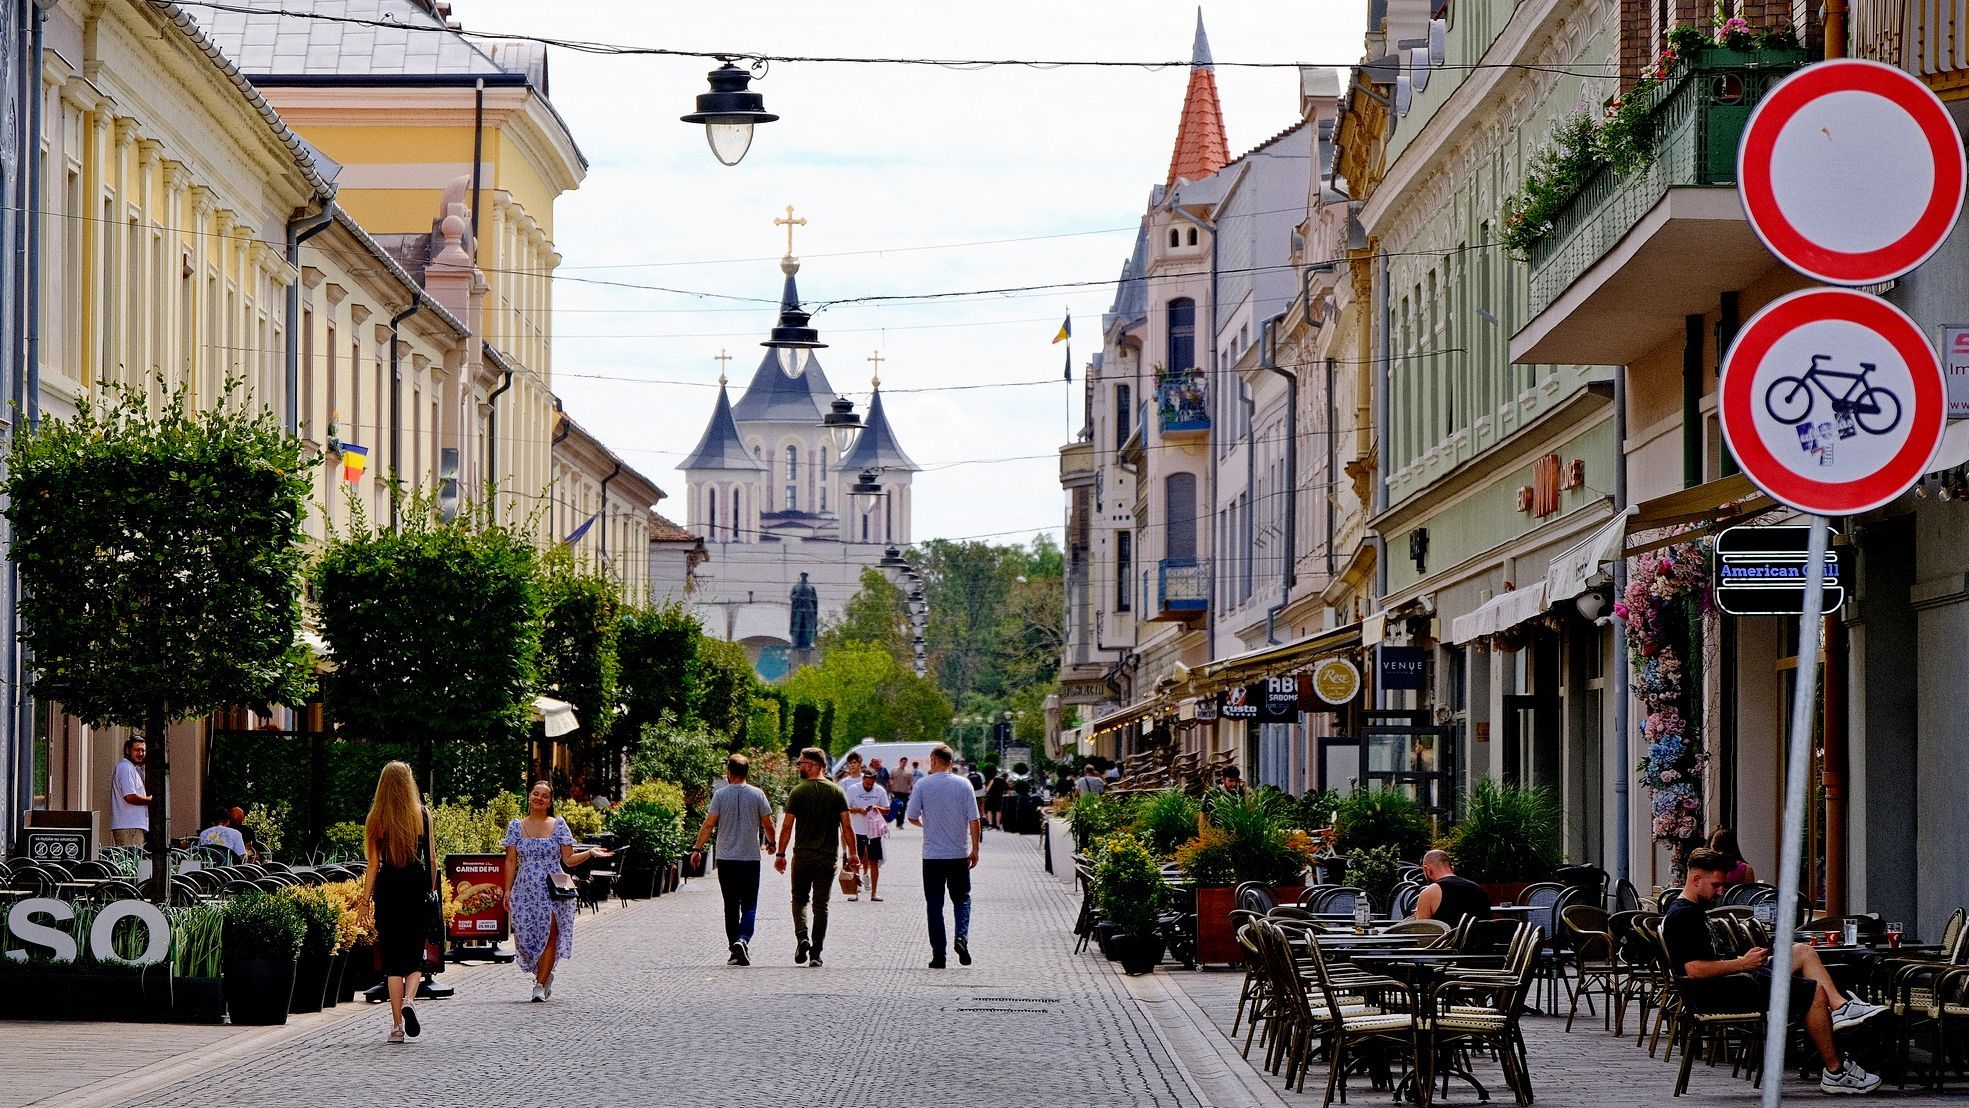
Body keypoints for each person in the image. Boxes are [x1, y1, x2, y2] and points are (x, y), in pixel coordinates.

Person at [1664, 848, 1884, 1094]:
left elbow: (1714, 956)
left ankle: (1841, 1007)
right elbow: (1694, 969)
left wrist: (1750, 958)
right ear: (1696, 880)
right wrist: (1743, 964)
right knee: (1813, 994)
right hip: (1722, 990)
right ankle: (1835, 1072)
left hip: (1735, 979)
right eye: (1716, 885)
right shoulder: (1683, 916)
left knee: (1801, 951)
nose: (1721, 891)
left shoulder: (1694, 911)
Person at [503, 780, 613, 1002]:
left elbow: (569, 860)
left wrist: (589, 853)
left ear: (550, 801)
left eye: (544, 796)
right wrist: (507, 890)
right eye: (536, 794)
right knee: (524, 939)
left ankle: (540, 986)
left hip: (553, 887)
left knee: (550, 934)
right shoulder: (516, 826)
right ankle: (544, 973)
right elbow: (511, 860)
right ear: (529, 797)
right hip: (525, 889)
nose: (539, 798)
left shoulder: (558, 825)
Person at [364, 761, 441, 1044]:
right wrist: (430, 890)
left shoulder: (376, 818)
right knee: (414, 955)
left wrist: (363, 903)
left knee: (393, 962)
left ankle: (396, 1027)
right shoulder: (422, 814)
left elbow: (373, 866)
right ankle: (410, 999)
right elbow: (431, 859)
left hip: (388, 888)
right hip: (415, 884)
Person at [775, 747, 859, 968]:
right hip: (827, 858)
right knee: (821, 906)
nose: (798, 766)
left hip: (802, 856)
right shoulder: (836, 792)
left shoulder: (798, 792)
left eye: (801, 763)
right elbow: (847, 828)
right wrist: (853, 855)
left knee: (799, 900)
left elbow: (786, 827)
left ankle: (802, 937)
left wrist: (781, 854)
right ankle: (816, 953)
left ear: (812, 765)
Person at [689, 755, 776, 966]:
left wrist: (697, 849)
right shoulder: (758, 795)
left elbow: (709, 824)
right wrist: (773, 844)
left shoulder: (719, 795)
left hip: (726, 858)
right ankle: (742, 939)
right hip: (749, 858)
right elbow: (768, 823)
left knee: (730, 905)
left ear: (729, 772)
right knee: (749, 905)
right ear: (747, 772)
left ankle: (733, 949)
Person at [906, 744, 981, 969]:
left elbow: (911, 816)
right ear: (950, 762)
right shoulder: (964, 784)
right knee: (962, 899)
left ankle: (939, 955)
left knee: (934, 906)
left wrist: (925, 825)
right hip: (958, 854)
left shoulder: (922, 785)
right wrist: (975, 849)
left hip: (932, 856)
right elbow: (974, 820)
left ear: (934, 760)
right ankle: (961, 937)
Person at [842, 766, 890, 902]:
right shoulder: (853, 790)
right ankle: (854, 892)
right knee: (855, 861)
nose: (868, 786)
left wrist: (877, 808)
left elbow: (887, 809)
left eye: (871, 784)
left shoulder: (880, 791)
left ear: (875, 781)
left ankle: (874, 893)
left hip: (874, 831)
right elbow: (846, 808)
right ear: (863, 780)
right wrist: (858, 810)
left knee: (873, 862)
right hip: (857, 830)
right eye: (866, 783)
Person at [1413, 849, 1492, 929]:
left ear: (1428, 870)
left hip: (1447, 941)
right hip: (1479, 940)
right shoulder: (1477, 888)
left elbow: (1420, 932)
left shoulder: (1429, 893)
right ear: (1452, 868)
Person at [110, 737, 151, 849]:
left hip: (132, 824)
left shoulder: (132, 768)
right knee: (132, 861)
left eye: (143, 750)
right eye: (137, 750)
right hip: (129, 826)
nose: (141, 753)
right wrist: (150, 800)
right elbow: (130, 797)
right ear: (128, 750)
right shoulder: (125, 767)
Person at [888, 758, 916, 828]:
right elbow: (890, 780)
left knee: (903, 808)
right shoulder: (894, 770)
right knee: (896, 807)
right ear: (900, 762)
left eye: (905, 762)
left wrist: (912, 791)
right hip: (896, 792)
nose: (904, 763)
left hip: (904, 793)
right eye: (903, 762)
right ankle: (898, 821)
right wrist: (890, 791)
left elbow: (911, 783)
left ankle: (901, 823)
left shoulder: (908, 772)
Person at [983, 767, 1008, 831]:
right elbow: (1006, 790)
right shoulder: (1003, 781)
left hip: (991, 797)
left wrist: (985, 793)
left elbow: (987, 789)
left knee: (989, 810)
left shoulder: (993, 779)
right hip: (999, 797)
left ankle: (990, 824)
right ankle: (997, 825)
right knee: (998, 811)